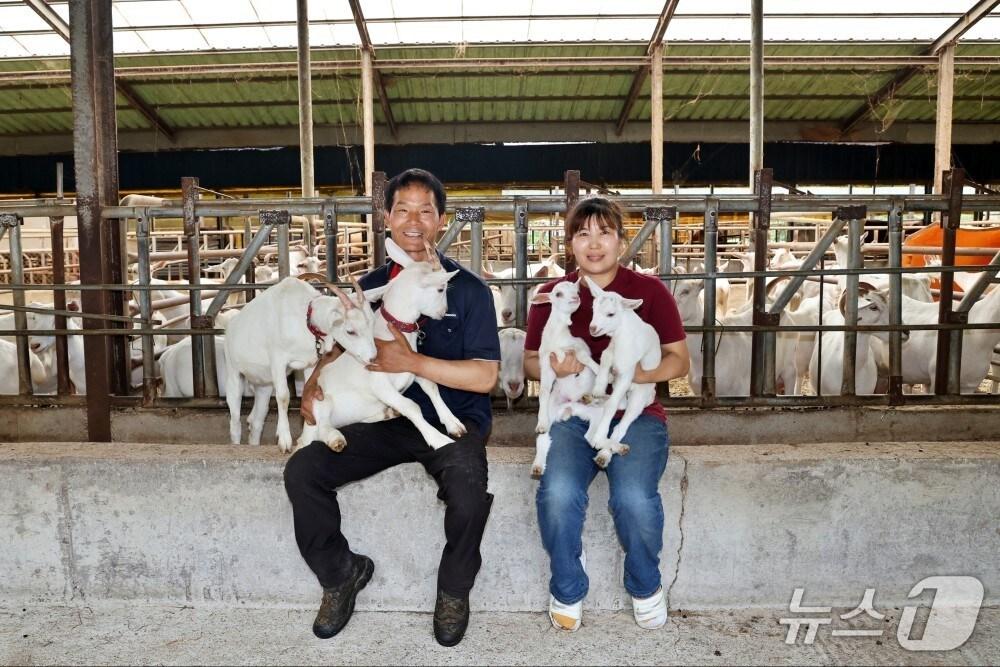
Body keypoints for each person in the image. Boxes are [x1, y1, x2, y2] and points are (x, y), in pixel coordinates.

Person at [283, 168, 500, 647]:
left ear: (441, 220)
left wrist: (411, 360)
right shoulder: (371, 286)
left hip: (454, 420)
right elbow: (340, 348)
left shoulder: (467, 290)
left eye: (426, 210)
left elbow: (486, 377)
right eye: (403, 209)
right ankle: (341, 574)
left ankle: (453, 590)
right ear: (386, 217)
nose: (414, 220)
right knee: (304, 471)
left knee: (467, 487)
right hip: (379, 416)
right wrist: (313, 386)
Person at [523, 196, 690, 632]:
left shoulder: (649, 292)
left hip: (636, 413)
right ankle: (568, 583)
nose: (594, 244)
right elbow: (528, 361)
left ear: (620, 240)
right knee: (558, 494)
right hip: (574, 413)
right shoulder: (554, 296)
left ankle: (644, 582)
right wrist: (558, 369)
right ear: (570, 244)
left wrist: (638, 372)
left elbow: (679, 359)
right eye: (583, 234)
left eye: (604, 233)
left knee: (633, 498)